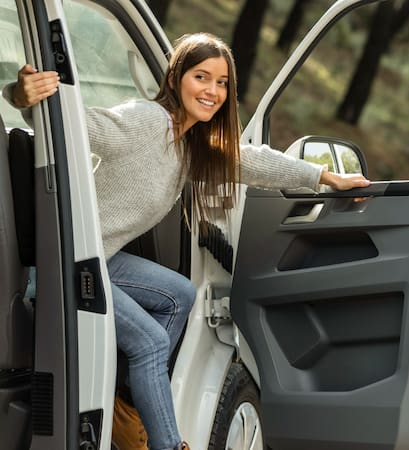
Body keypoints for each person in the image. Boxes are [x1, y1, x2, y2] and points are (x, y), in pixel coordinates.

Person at [5, 33, 369, 450]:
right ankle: (167, 443)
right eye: (201, 77)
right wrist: (22, 95)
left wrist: (325, 178)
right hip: (62, 261)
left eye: (222, 82)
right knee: (150, 342)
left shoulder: (191, 145)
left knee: (179, 294)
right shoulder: (148, 122)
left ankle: (125, 406)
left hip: (98, 255)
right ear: (177, 77)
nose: (212, 91)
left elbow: (252, 160)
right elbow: (72, 127)